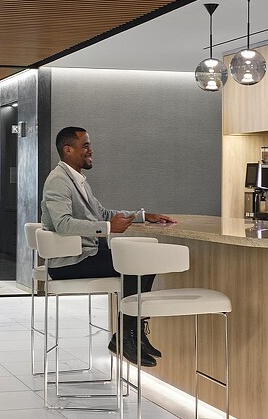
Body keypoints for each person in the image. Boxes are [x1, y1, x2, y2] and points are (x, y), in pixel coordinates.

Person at [40, 126, 176, 367]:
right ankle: (127, 336)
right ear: (68, 150)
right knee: (137, 263)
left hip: (86, 255)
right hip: (69, 261)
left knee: (143, 262)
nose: (91, 150)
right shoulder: (58, 181)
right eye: (85, 145)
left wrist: (143, 216)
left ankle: (130, 334)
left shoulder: (78, 180)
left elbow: (102, 213)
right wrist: (107, 228)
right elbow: (63, 224)